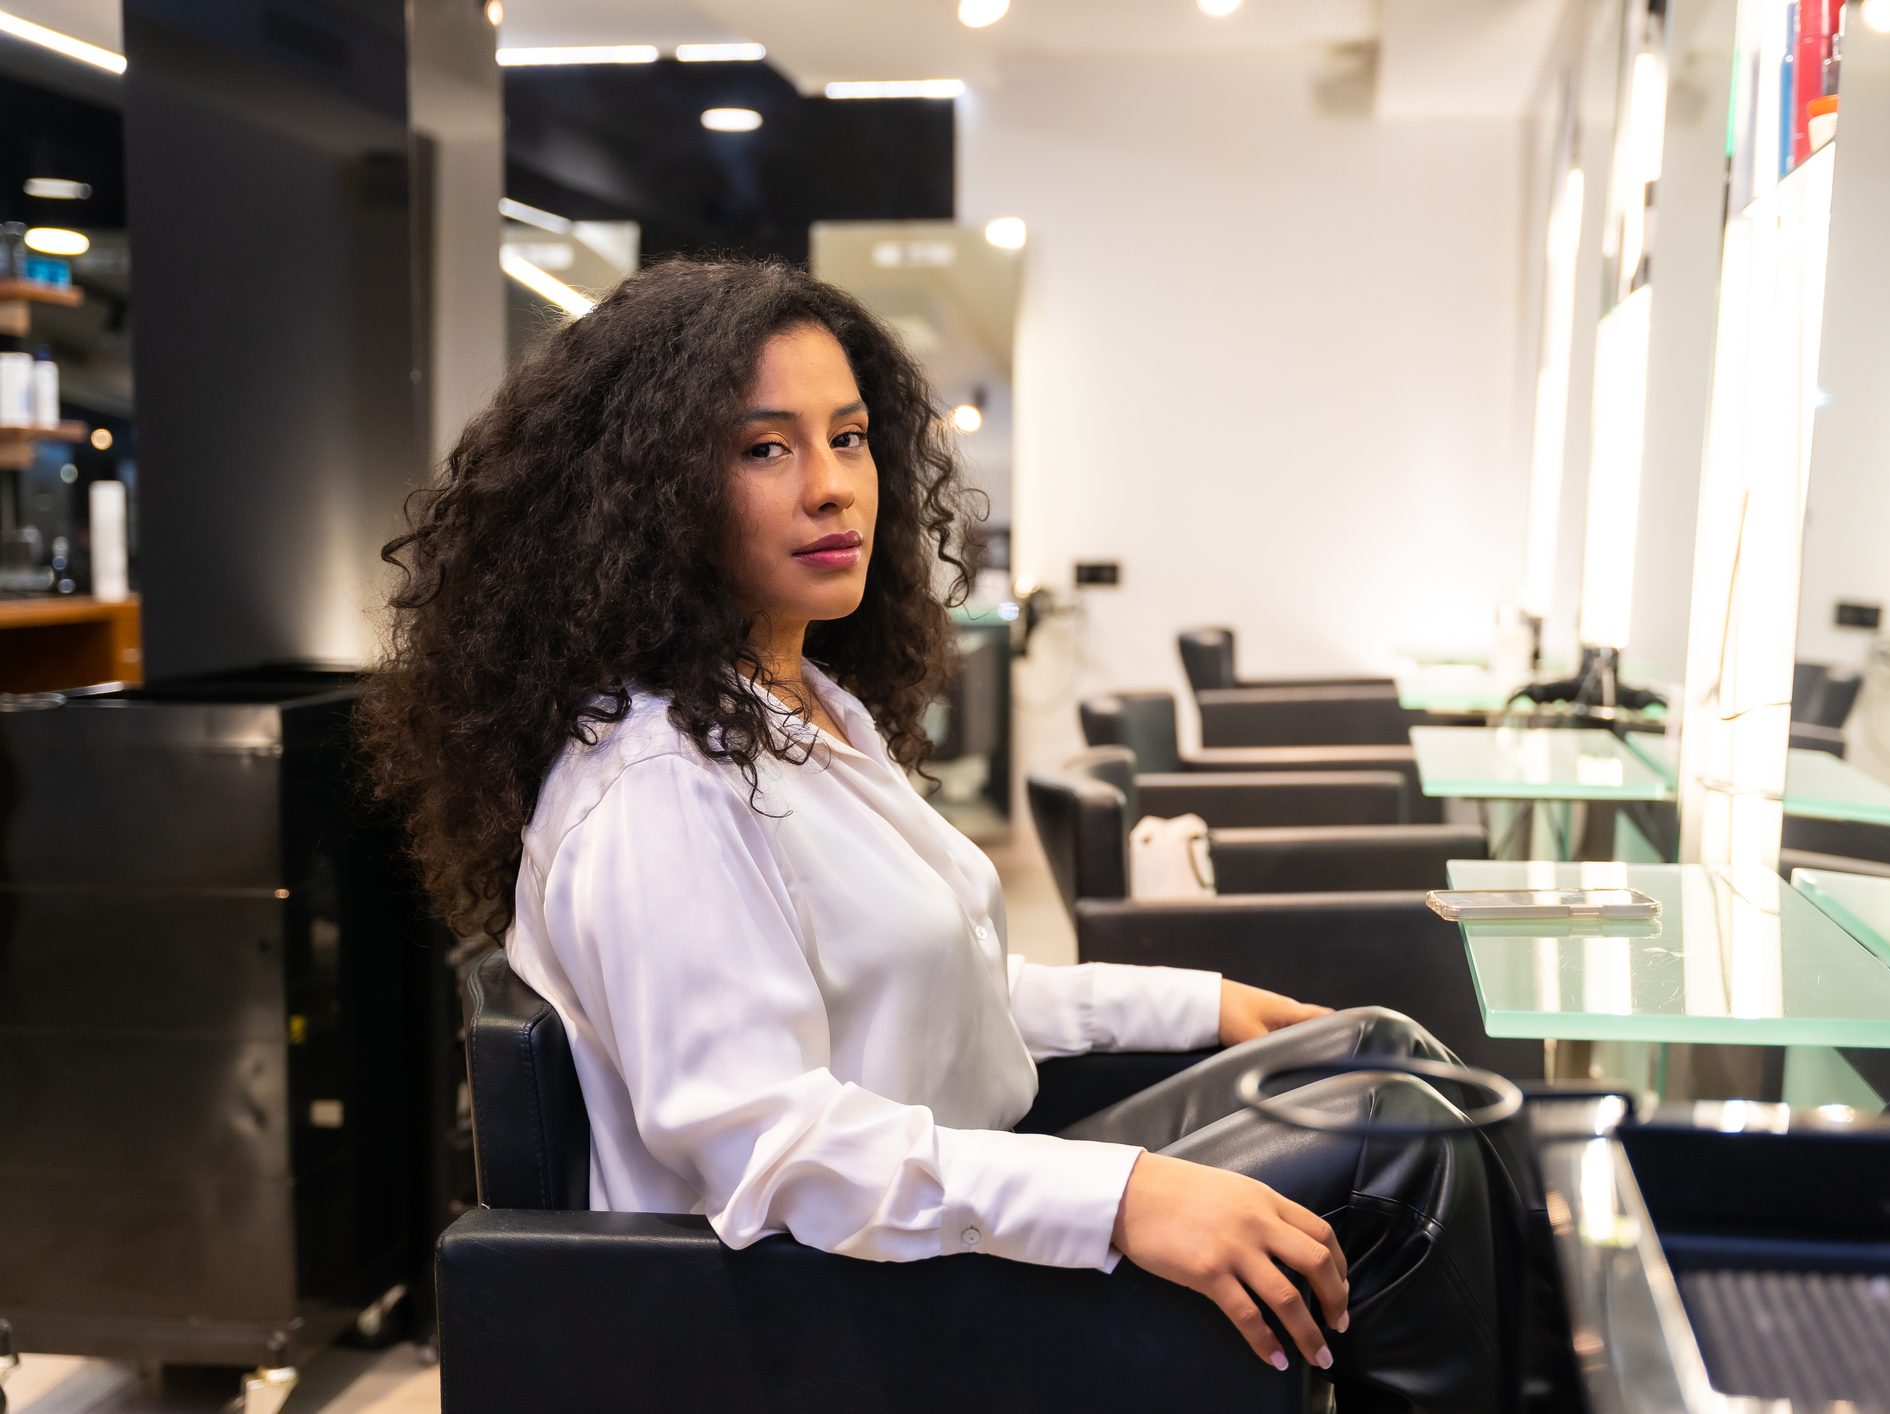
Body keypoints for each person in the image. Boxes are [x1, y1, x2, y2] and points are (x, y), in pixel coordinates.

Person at [358, 258, 1503, 1410]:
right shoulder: (660, 785)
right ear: (650, 491)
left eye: (848, 438)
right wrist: (1121, 1198)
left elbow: (939, 984)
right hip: (846, 1301)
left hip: (939, 1209)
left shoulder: (805, 709)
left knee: (1377, 1051)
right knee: (1397, 1141)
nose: (831, 489)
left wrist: (1199, 1001)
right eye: (765, 448)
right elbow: (770, 1150)